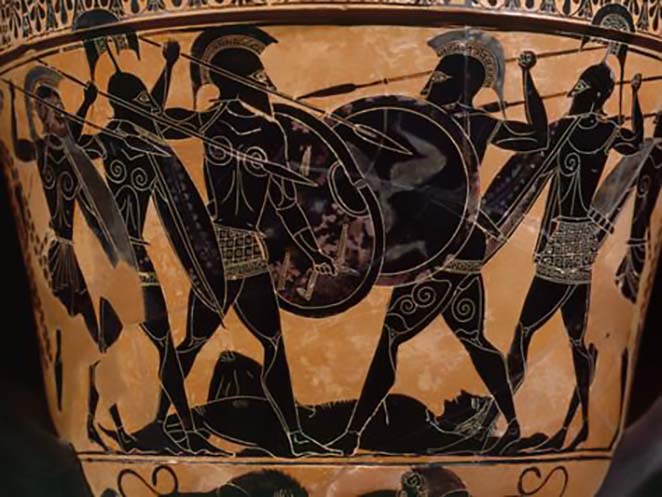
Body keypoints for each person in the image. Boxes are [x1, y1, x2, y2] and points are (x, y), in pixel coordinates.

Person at [331, 29, 548, 456]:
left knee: (393, 338)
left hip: (439, 250)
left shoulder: (469, 123)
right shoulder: (426, 119)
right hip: (455, 246)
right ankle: (513, 425)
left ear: (462, 81)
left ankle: (352, 435)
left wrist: (526, 77)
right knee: (473, 337)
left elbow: (537, 140)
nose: (432, 81)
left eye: (443, 75)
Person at [159, 27, 338, 456]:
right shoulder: (263, 130)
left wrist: (167, 67)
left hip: (223, 247)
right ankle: (290, 435)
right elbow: (285, 204)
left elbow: (155, 118)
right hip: (231, 248)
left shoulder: (212, 124)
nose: (266, 83)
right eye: (258, 76)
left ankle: (289, 435)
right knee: (258, 344)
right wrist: (312, 250)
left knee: (199, 343)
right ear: (242, 80)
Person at [506, 63, 643, 450]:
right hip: (581, 239)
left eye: (580, 87)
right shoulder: (606, 131)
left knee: (524, 332)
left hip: (563, 239)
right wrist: (634, 96)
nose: (574, 93)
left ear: (591, 92)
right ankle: (582, 424)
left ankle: (500, 421)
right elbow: (636, 142)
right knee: (575, 339)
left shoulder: (569, 129)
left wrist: (527, 75)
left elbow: (535, 133)